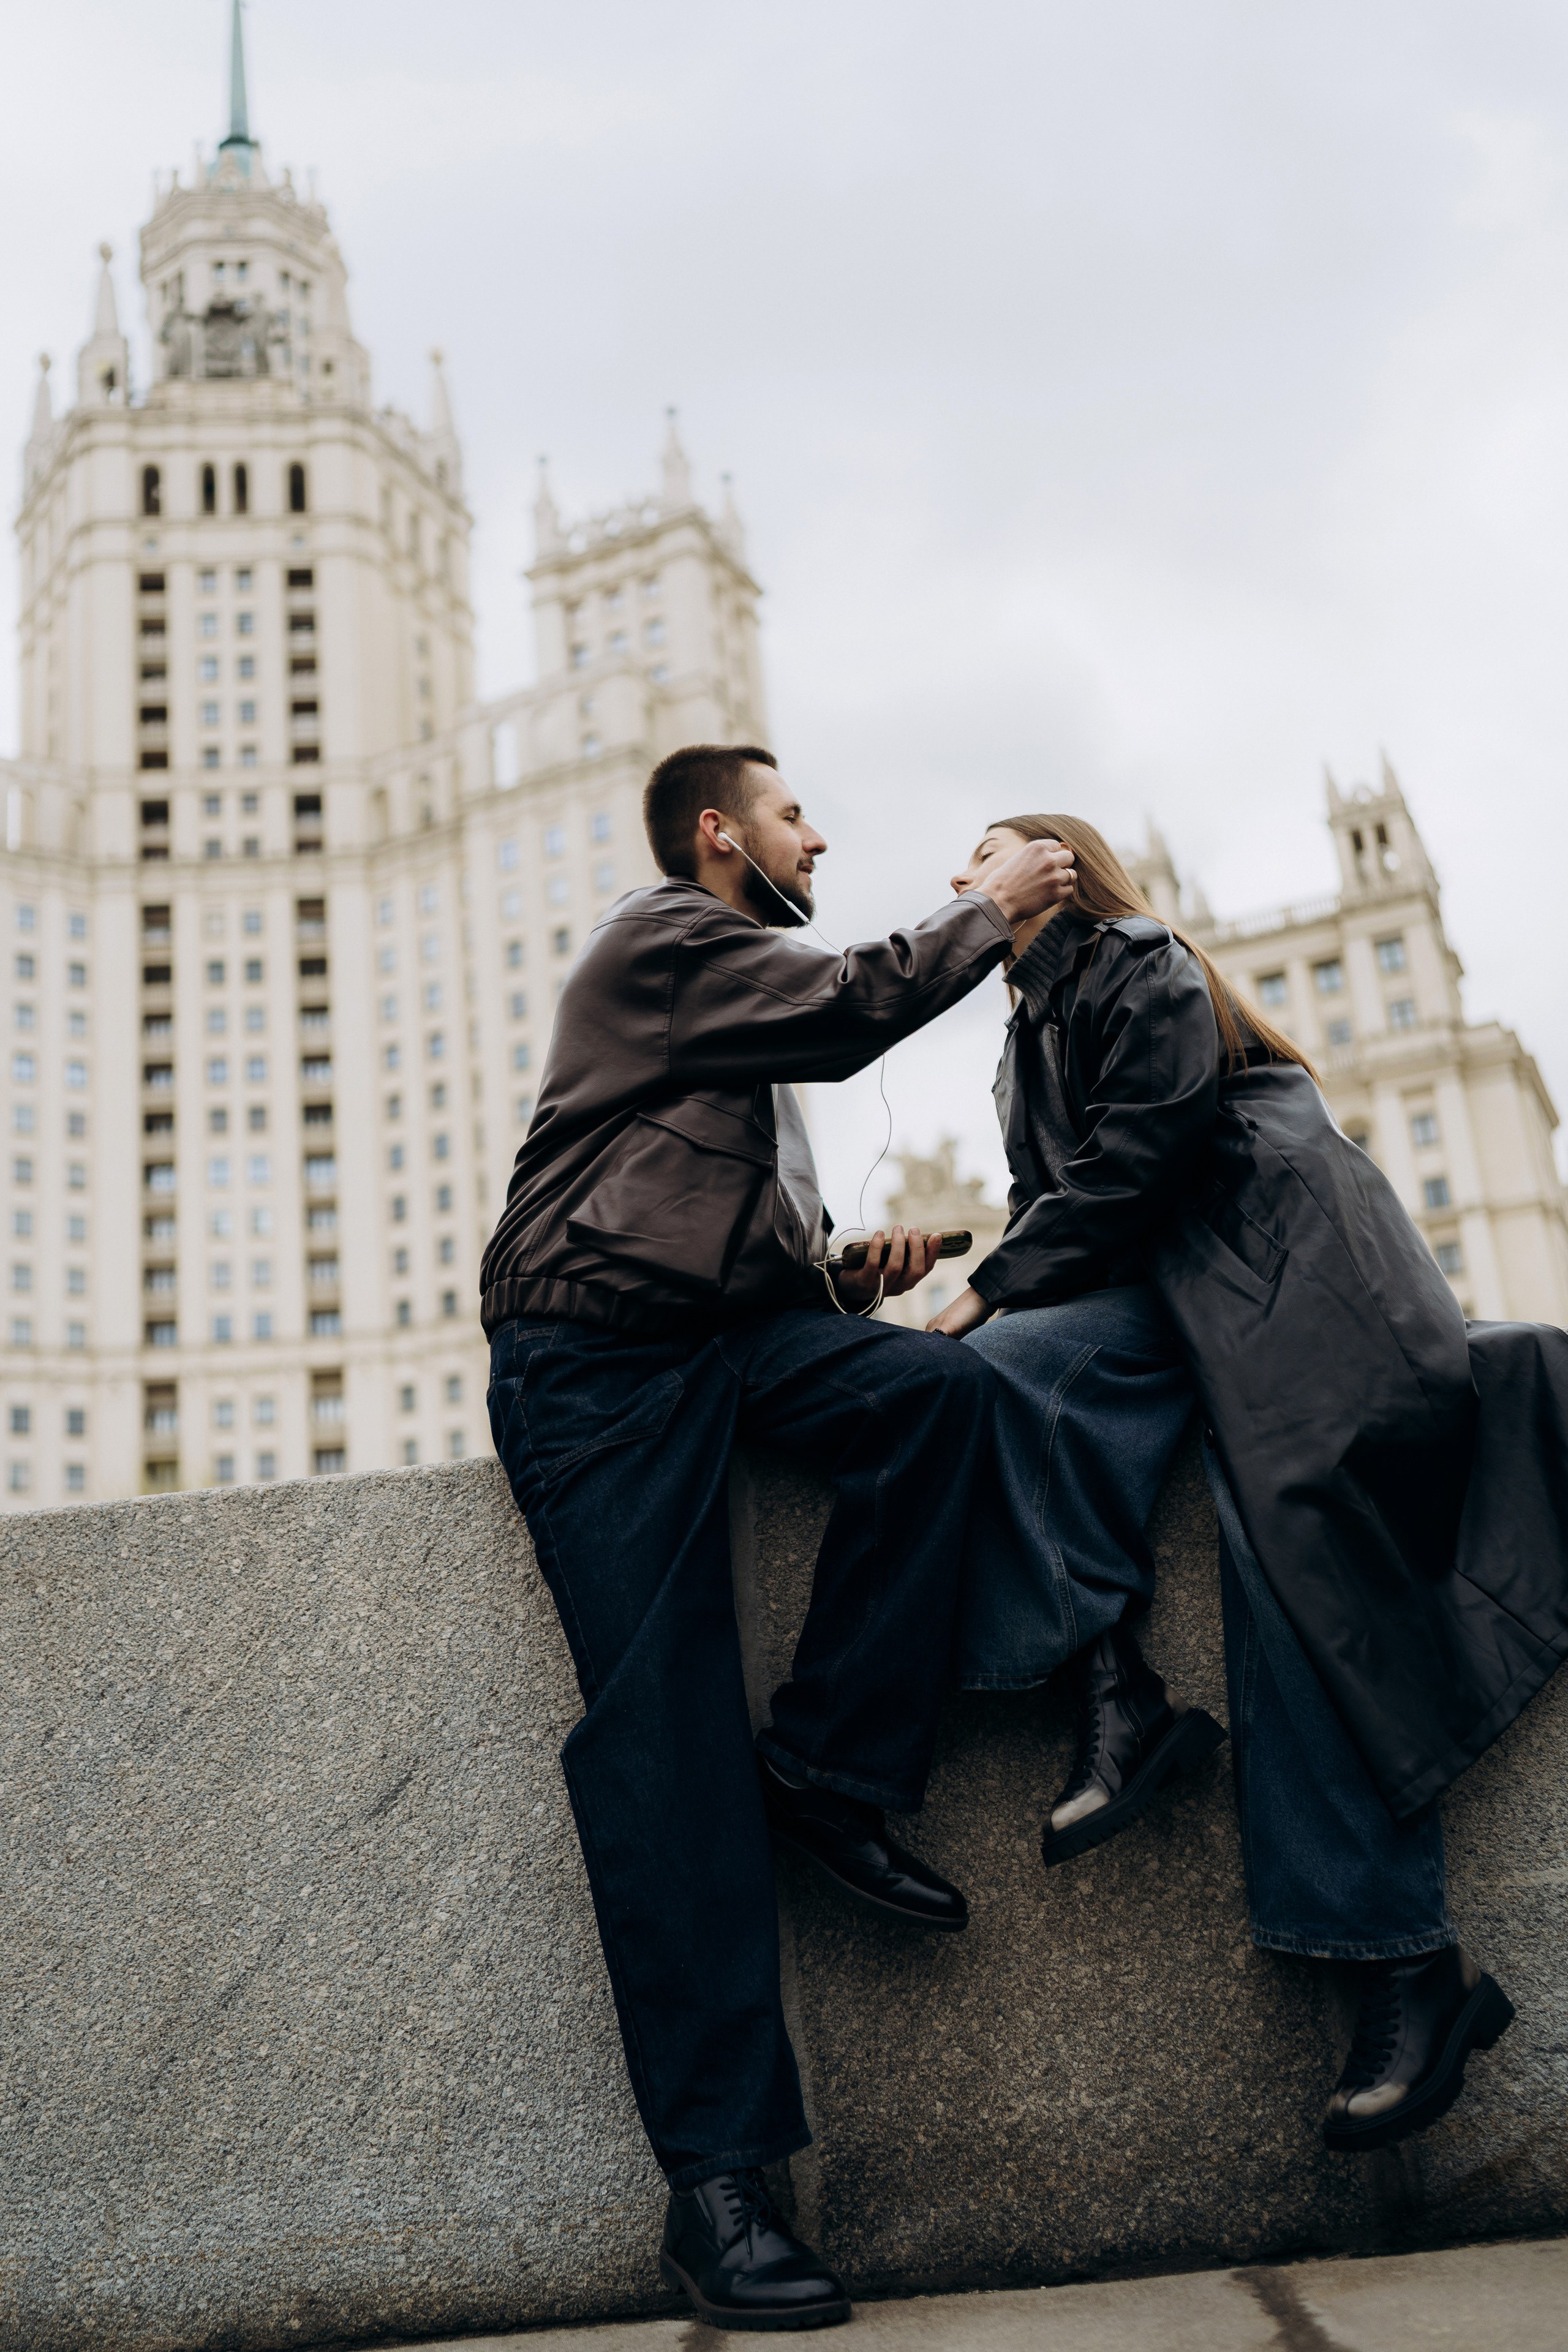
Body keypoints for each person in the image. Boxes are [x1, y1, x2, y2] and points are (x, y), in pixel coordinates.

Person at [480, 747, 1076, 2330]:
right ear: (715, 832)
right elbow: (850, 999)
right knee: (666, 1744)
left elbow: (721, 1252)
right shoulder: (659, 934)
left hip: (720, 1344)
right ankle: (722, 2190)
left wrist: (840, 1282)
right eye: (794, 811)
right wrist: (994, 915)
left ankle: (825, 1773)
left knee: (933, 1400)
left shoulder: (725, 1043)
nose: (817, 833)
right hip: (592, 1371)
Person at [926, 812, 1568, 2156]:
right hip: (1163, 1292)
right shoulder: (1018, 1040)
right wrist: (964, 1284)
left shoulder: (1133, 954)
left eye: (989, 848)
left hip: (1279, 1264)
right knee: (987, 1382)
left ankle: (1404, 1965)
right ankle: (1120, 1696)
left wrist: (985, 1281)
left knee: (1287, 1556)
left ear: (1058, 867)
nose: (956, 874)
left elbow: (1144, 1152)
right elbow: (1065, 1211)